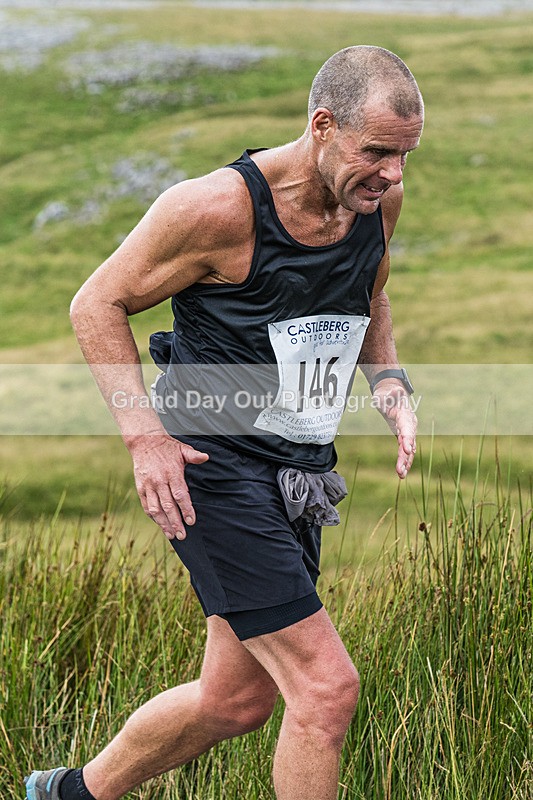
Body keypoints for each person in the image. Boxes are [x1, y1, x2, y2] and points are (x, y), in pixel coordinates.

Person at [25, 45, 423, 800]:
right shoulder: (214, 208)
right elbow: (95, 304)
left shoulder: (374, 201)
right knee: (326, 688)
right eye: (376, 152)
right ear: (321, 126)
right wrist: (145, 438)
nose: (392, 175)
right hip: (210, 469)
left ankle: (66, 795)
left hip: (298, 472)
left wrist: (389, 380)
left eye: (404, 156)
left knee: (234, 702)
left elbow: (366, 294)